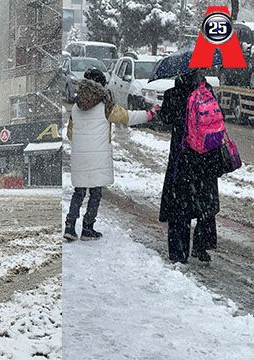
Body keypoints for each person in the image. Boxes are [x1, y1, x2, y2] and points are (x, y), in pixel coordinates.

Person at [64, 68, 159, 241]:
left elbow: (70, 134)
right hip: (97, 156)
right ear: (101, 84)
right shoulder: (105, 105)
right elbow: (126, 117)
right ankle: (87, 228)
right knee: (95, 192)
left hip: (80, 156)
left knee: (78, 192)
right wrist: (149, 114)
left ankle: (70, 226)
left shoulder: (76, 107)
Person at [158, 70, 222, 263]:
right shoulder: (207, 90)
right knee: (205, 204)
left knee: (180, 207)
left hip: (183, 157)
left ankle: (179, 252)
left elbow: (166, 118)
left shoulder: (173, 93)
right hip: (206, 157)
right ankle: (202, 247)